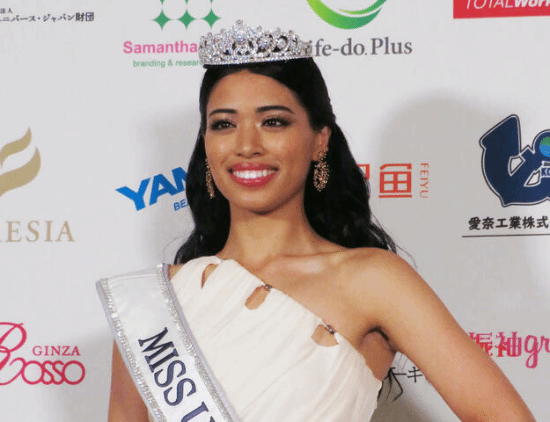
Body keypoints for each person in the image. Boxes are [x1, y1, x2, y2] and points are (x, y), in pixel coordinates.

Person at [103, 21, 536, 422]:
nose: (246, 145)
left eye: (273, 121)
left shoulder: (373, 280)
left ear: (319, 140)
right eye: (224, 125)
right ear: (206, 144)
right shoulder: (154, 303)